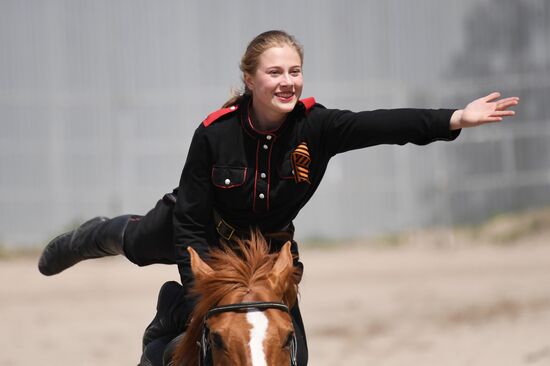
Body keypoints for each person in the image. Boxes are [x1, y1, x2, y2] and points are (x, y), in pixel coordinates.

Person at [38, 30, 519, 365]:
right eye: (274, 72)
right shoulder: (214, 134)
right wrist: (199, 288)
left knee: (293, 349)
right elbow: (188, 220)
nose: (287, 80)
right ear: (251, 80)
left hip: (268, 248)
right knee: (141, 246)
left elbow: (385, 124)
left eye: (295, 70)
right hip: (199, 231)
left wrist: (456, 118)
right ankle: (92, 241)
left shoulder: (319, 126)